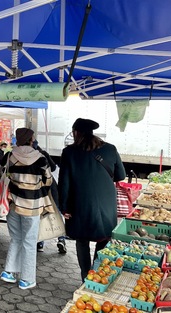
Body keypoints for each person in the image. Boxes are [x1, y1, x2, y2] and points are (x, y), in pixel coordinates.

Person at [58, 118, 125, 281]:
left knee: (82, 241)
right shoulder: (110, 149)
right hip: (106, 205)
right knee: (103, 239)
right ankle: (97, 274)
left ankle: (85, 276)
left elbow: (64, 183)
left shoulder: (69, 152)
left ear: (75, 133)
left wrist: (64, 207)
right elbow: (120, 175)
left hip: (80, 204)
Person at [0, 128, 54, 290]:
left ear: (17, 140)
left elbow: (0, 175)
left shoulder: (9, 156)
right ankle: (26, 279)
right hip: (32, 205)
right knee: (29, 242)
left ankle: (9, 271)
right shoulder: (40, 158)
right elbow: (48, 180)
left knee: (16, 238)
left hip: (13, 204)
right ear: (31, 140)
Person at [33, 139, 67, 254]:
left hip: (39, 190)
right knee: (56, 212)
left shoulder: (29, 156)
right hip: (52, 188)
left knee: (40, 215)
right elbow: (53, 168)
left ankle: (40, 243)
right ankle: (61, 239)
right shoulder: (44, 154)